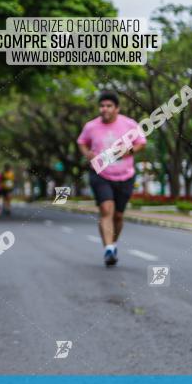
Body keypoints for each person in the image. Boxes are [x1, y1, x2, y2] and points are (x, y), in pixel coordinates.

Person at [77, 91, 146, 266]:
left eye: (109, 106)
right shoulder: (91, 126)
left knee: (118, 215)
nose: (104, 109)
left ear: (117, 108)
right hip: (100, 174)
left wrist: (128, 151)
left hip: (125, 176)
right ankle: (108, 249)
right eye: (102, 106)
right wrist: (88, 154)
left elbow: (141, 142)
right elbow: (81, 142)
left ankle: (113, 244)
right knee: (107, 209)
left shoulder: (129, 124)